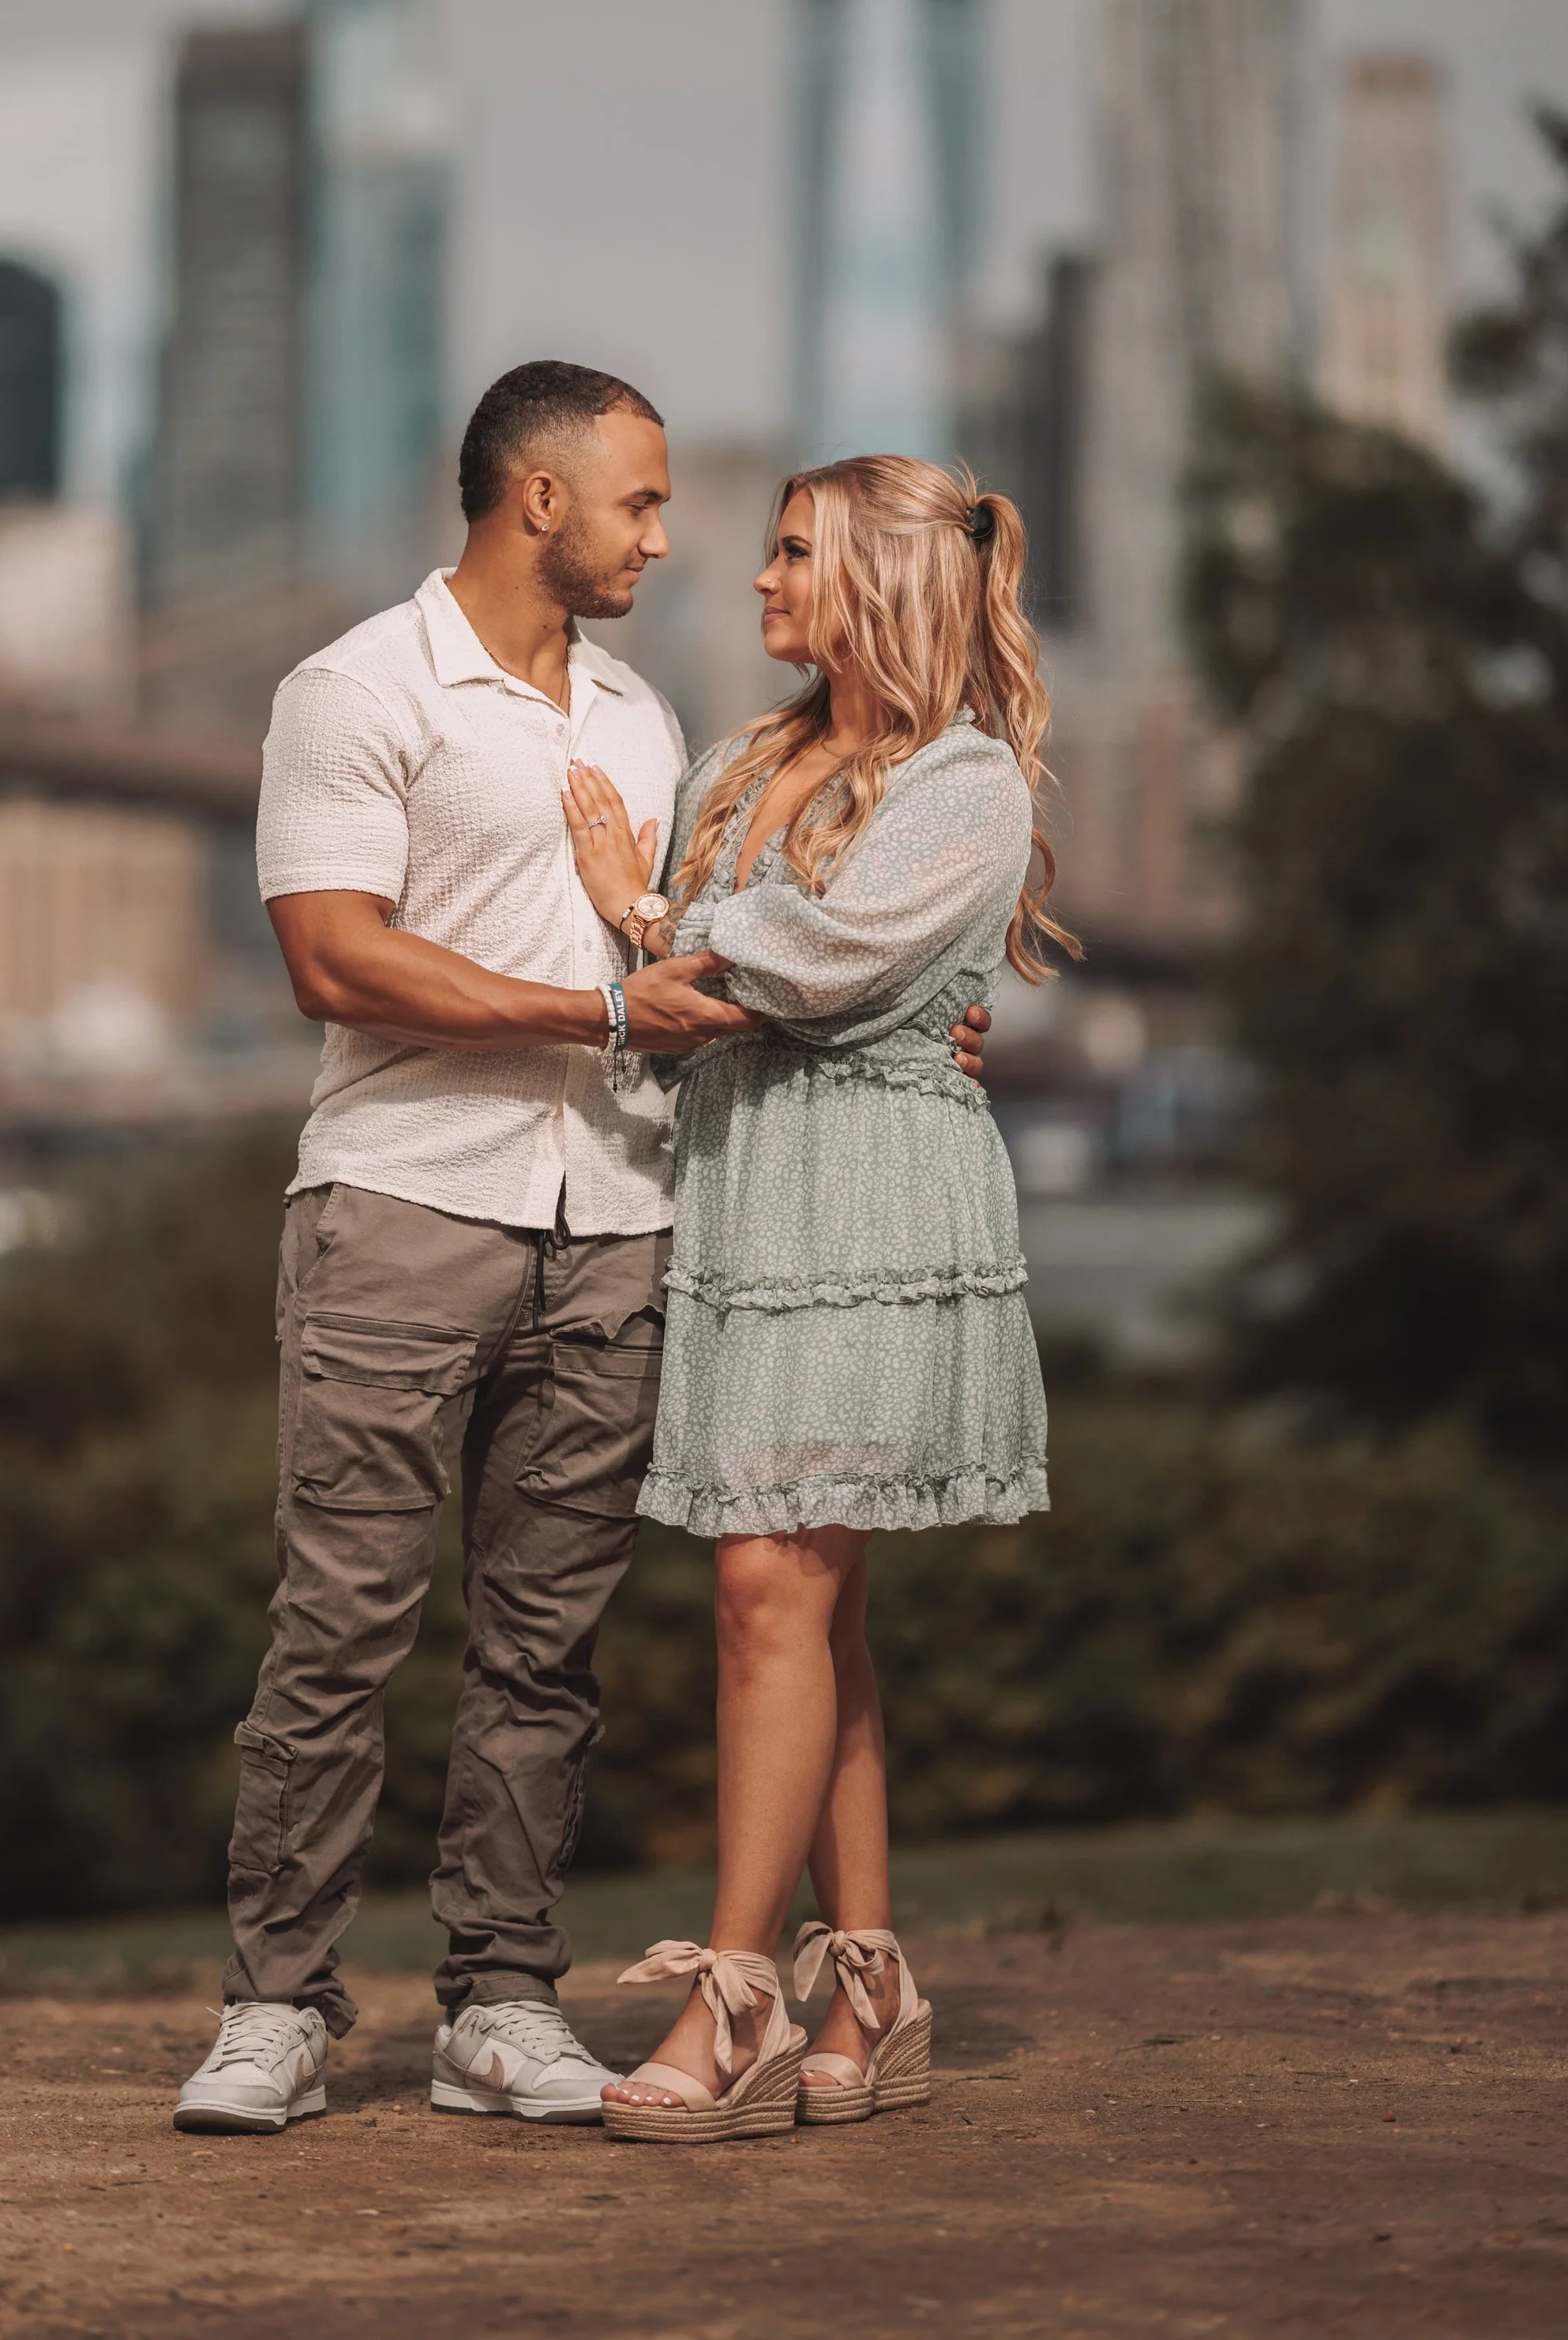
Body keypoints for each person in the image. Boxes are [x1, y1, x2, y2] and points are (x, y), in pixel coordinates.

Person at [173, 370, 990, 2137]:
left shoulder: (646, 722)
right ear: (536, 500)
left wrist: (926, 1025)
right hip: (403, 1198)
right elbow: (334, 958)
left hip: (621, 1224)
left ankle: (499, 2001)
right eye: (637, 502)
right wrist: (603, 1009)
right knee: (339, 1627)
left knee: (545, 1650)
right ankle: (278, 2006)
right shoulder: (352, 689)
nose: (662, 535)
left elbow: (756, 947)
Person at [554, 453, 1069, 2143]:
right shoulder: (745, 757)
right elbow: (721, 969)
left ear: (877, 578)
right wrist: (685, 941)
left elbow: (803, 962)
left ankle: (733, 1993)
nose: (753, 577)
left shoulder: (969, 783)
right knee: (817, 1605)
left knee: (766, 1593)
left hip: (871, 1207)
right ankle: (868, 1978)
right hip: (749, 1196)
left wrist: (652, 912)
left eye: (789, 552)